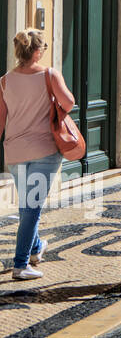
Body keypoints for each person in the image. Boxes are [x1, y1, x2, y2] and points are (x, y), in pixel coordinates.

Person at [0, 30, 75, 281]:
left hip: (15, 152)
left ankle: (35, 248)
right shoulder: (49, 74)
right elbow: (69, 103)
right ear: (36, 51)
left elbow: (1, 120)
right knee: (31, 207)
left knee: (28, 206)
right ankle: (21, 265)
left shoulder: (5, 81)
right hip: (44, 150)